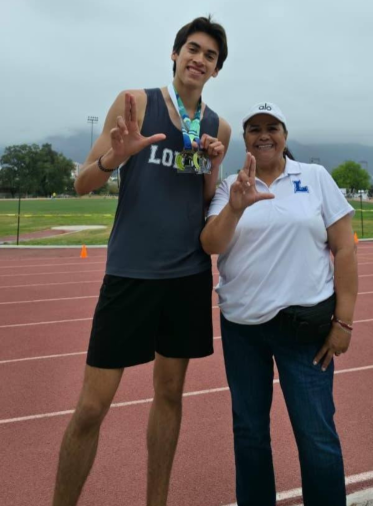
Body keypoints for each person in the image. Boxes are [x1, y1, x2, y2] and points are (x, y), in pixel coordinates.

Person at [54, 16, 230, 506]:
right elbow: (81, 183)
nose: (199, 59)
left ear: (216, 71)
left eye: (210, 56)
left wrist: (214, 165)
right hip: (130, 274)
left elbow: (205, 203)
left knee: (170, 396)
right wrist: (116, 157)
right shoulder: (135, 102)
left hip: (187, 277)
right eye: (192, 49)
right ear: (174, 55)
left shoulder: (219, 128)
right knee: (92, 407)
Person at [201, 102, 357, 506]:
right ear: (246, 138)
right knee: (249, 434)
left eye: (272, 127)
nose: (263, 135)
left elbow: (344, 249)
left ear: (286, 135)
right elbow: (211, 244)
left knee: (316, 434)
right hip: (243, 329)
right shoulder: (230, 185)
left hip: (304, 330)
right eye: (254, 128)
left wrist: (344, 323)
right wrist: (236, 205)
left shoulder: (316, 177)